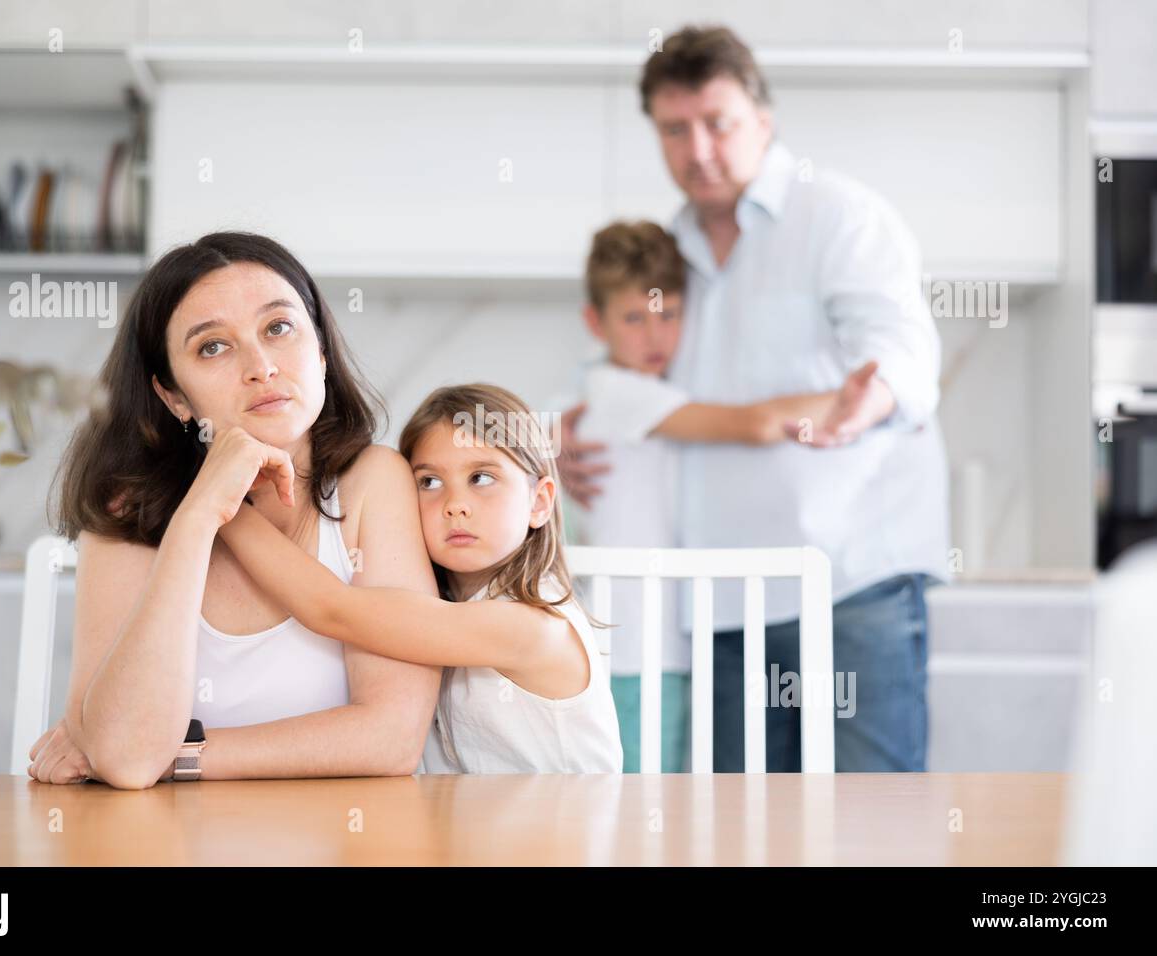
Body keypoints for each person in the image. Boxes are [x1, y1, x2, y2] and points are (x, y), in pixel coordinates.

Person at [559, 26, 950, 772]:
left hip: (849, 581)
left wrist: (867, 400)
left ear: (763, 120)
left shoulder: (837, 215)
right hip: (722, 601)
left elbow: (904, 350)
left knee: (874, 826)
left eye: (718, 122)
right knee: (740, 837)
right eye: (675, 129)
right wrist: (577, 429)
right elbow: (633, 367)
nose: (698, 149)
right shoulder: (668, 250)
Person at [26, 231, 441, 788]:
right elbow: (126, 759)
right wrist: (196, 518)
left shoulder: (372, 483)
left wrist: (175, 756)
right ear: (173, 397)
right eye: (212, 347)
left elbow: (391, 738)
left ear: (319, 350)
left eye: (278, 327)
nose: (261, 366)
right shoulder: (128, 512)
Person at [215, 382, 623, 773]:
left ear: (539, 502)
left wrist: (221, 503)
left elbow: (330, 609)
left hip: (562, 842)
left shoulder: (534, 627)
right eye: (429, 482)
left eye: (482, 478)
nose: (455, 505)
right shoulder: (443, 608)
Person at [571, 219, 838, 772]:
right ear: (595, 322)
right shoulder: (620, 394)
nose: (654, 335)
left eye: (668, 314)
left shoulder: (641, 395)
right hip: (631, 646)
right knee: (637, 801)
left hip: (662, 642)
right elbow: (757, 424)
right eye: (634, 318)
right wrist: (857, 398)